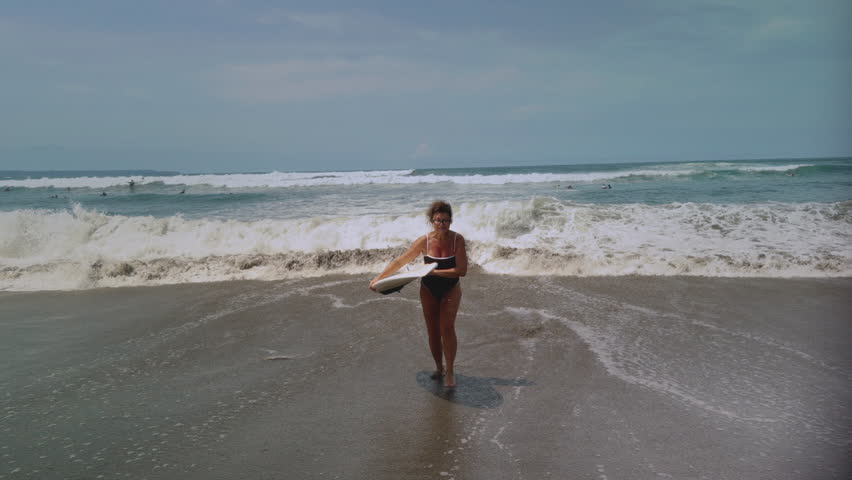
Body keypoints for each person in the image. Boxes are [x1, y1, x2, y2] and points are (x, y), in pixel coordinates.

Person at [370, 200, 468, 389]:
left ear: (451, 221)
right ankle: (439, 368)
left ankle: (450, 370)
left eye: (446, 221)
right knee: (432, 330)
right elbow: (400, 261)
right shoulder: (425, 240)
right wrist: (378, 279)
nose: (442, 224)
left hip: (451, 288)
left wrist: (434, 272)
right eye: (438, 220)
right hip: (428, 289)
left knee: (447, 328)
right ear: (432, 220)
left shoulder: (457, 240)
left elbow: (461, 270)